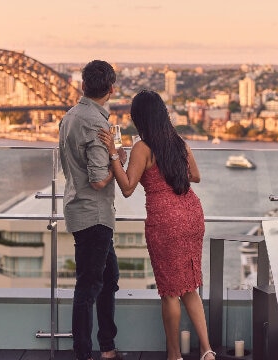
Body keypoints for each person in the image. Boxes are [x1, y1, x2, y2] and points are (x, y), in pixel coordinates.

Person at [98, 89, 216, 360]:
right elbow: (195, 176)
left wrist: (114, 155)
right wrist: (172, 172)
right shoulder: (178, 142)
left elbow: (127, 188)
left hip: (165, 219)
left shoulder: (143, 147)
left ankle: (174, 356)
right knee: (189, 286)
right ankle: (207, 350)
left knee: (170, 292)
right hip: (191, 213)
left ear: (139, 118)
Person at [59, 60, 127, 360]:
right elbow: (100, 180)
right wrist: (117, 158)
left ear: (83, 84)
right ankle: (86, 353)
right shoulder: (97, 123)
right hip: (94, 215)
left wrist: (114, 153)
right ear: (111, 89)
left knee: (108, 278)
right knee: (88, 288)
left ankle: (107, 346)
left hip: (81, 208)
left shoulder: (71, 116)